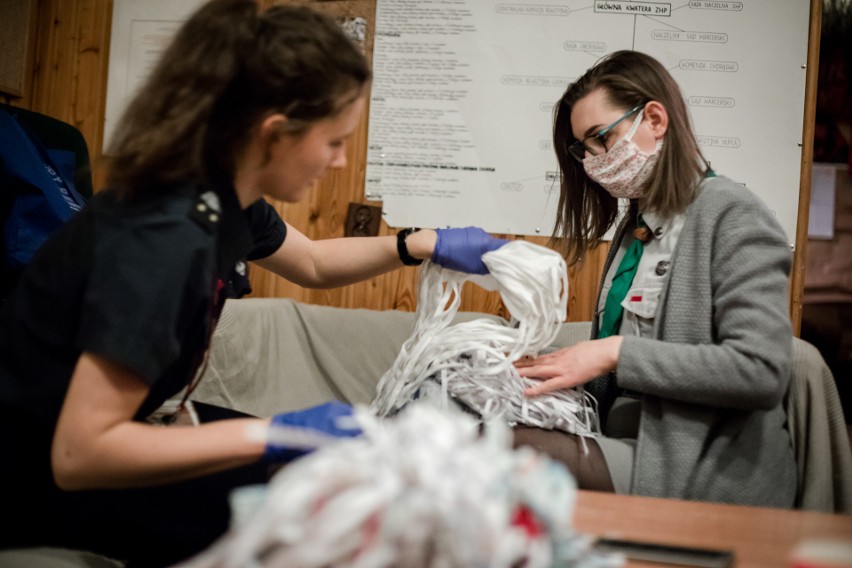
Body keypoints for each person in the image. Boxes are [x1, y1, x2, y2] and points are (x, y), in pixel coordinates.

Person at [0, 1, 505, 566]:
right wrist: (274, 433)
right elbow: (79, 454)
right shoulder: (163, 240)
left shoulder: (221, 197)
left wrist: (422, 244)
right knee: (319, 515)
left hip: (107, 436)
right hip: (34, 477)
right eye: (334, 141)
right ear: (274, 133)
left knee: (327, 476)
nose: (339, 162)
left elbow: (312, 261)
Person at [513, 50, 796, 508]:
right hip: (628, 443)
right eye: (582, 148)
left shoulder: (734, 215)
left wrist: (613, 353)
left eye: (600, 138)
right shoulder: (636, 226)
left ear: (655, 119)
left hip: (699, 468)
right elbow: (618, 354)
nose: (593, 160)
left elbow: (760, 372)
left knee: (509, 449)